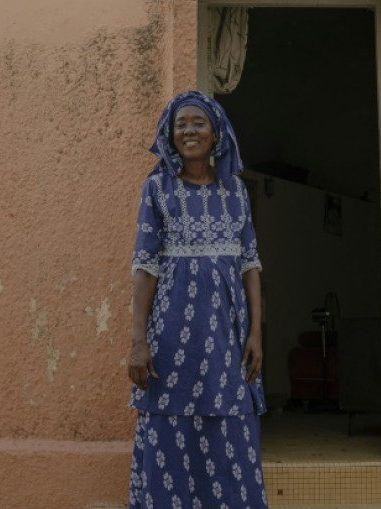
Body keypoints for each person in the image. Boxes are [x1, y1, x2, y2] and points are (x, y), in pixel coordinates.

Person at [128, 90, 268, 508]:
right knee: (169, 429)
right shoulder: (157, 188)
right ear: (170, 136)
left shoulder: (237, 193)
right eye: (180, 124)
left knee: (231, 428)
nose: (189, 130)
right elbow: (144, 267)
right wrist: (139, 340)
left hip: (228, 337)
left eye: (198, 122)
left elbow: (250, 266)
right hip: (170, 340)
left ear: (216, 132)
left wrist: (256, 333)